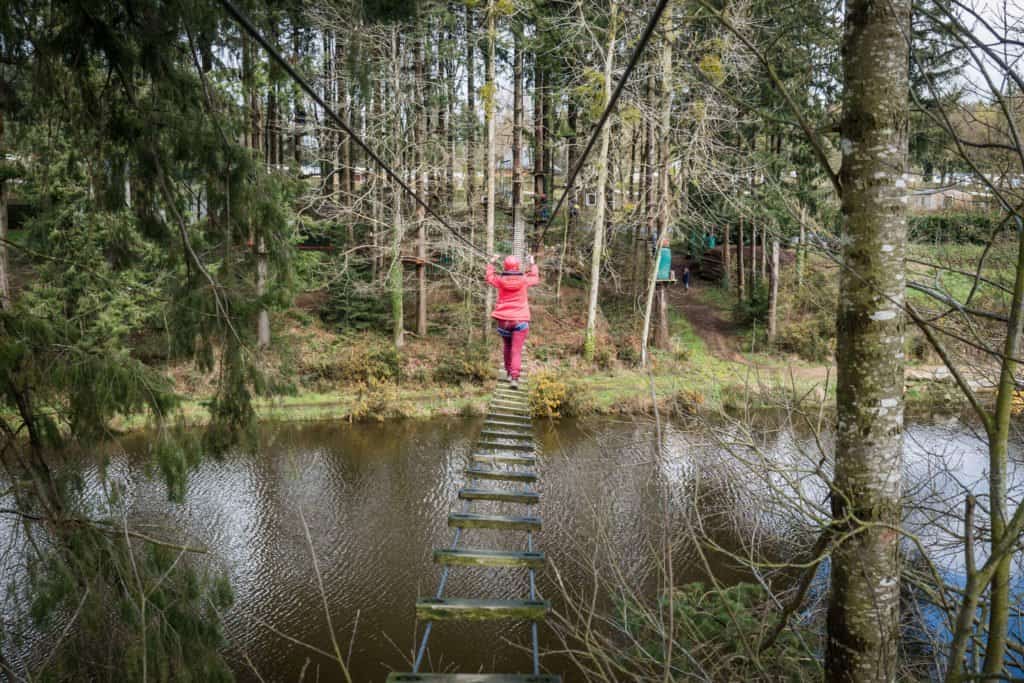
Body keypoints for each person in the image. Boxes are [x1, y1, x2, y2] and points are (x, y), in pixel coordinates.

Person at [485, 253, 540, 389]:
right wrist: (532, 264)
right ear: (517, 267)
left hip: (504, 320)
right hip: (520, 320)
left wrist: (491, 263)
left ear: (505, 266)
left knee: (507, 347)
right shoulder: (524, 280)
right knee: (516, 351)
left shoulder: (500, 280)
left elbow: (489, 277)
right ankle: (514, 378)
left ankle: (509, 373)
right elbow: (535, 278)